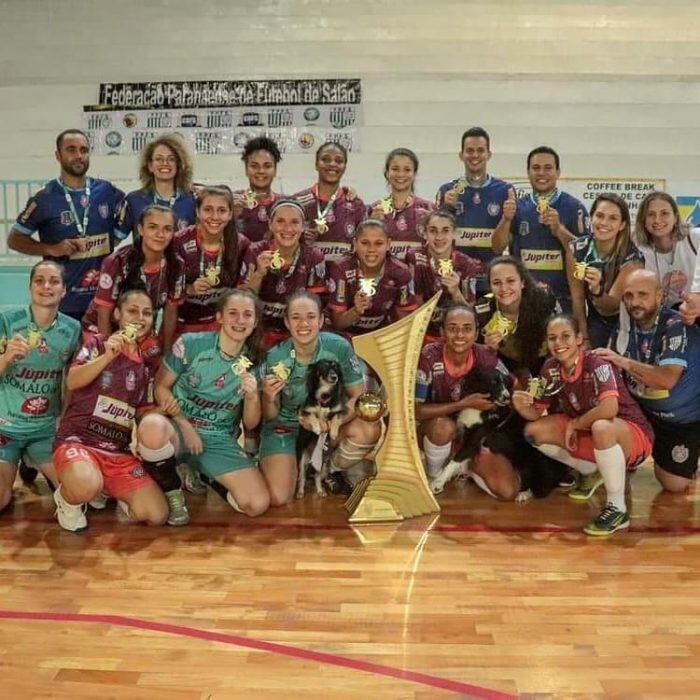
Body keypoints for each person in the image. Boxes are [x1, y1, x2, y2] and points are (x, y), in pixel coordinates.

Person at [513, 314, 653, 536]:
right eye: (552, 338)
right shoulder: (549, 368)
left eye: (565, 336)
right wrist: (520, 405)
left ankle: (617, 509)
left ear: (579, 338)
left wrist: (575, 424)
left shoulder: (597, 362)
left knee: (602, 427)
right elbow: (536, 413)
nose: (558, 344)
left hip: (631, 433)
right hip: (590, 430)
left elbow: (609, 409)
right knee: (533, 432)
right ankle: (590, 471)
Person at [137, 289, 270, 521]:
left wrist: (251, 397)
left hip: (218, 437)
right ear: (219, 317)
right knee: (151, 427)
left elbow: (250, 423)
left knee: (256, 504)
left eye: (247, 315)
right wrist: (185, 424)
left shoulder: (256, 360)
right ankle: (173, 492)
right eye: (233, 313)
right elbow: (160, 388)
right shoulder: (191, 344)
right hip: (177, 428)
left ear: (255, 321)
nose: (240, 321)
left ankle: (206, 474)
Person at [52, 289, 169, 532]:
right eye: (132, 311)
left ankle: (108, 487)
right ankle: (67, 501)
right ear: (117, 314)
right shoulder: (98, 343)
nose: (140, 317)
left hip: (116, 452)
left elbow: (141, 413)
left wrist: (164, 410)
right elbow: (72, 381)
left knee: (156, 514)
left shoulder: (146, 367)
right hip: (79, 442)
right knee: (85, 485)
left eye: (147, 313)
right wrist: (107, 357)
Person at [260, 291, 381, 505]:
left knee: (369, 429)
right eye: (296, 317)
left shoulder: (338, 347)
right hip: (288, 427)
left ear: (322, 320)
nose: (304, 323)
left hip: (326, 423)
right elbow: (270, 415)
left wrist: (330, 423)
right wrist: (268, 398)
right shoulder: (274, 357)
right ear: (286, 322)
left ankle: (328, 470)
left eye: (311, 316)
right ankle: (282, 463)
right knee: (279, 497)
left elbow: (358, 397)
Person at [596, 270, 700, 493]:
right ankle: (634, 451)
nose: (635, 302)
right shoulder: (624, 328)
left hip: (682, 421)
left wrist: (623, 361)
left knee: (674, 485)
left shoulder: (676, 325)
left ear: (660, 296)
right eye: (629, 296)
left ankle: (688, 459)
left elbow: (666, 379)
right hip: (644, 413)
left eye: (643, 295)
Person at [8, 129, 124, 320]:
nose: (79, 155)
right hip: (63, 302)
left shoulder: (106, 190)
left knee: (103, 349)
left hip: (103, 300)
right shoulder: (44, 198)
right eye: (71, 150)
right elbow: (14, 239)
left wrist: (116, 237)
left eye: (84, 150)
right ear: (58, 156)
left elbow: (133, 209)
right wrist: (51, 249)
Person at [415, 303, 522, 499]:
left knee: (507, 491)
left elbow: (515, 388)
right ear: (442, 331)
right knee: (443, 427)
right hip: (435, 431)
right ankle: (434, 474)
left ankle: (466, 466)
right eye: (452, 328)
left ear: (476, 333)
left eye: (467, 328)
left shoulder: (486, 358)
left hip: (473, 437)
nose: (460, 335)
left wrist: (507, 402)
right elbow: (414, 410)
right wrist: (461, 404)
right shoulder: (428, 357)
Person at [0, 261, 81, 513]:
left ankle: (32, 459)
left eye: (54, 281)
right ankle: (16, 464)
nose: (46, 286)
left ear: (64, 290)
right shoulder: (7, 321)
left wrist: (63, 417)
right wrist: (5, 358)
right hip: (6, 428)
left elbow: (72, 379)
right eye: (39, 281)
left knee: (79, 492)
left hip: (45, 429)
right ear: (30, 286)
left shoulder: (72, 328)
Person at [493, 146, 589, 312]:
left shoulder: (574, 207)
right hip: (523, 302)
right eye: (536, 168)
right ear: (528, 172)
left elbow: (586, 254)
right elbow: (497, 247)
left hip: (563, 302)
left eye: (548, 168)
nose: (541, 173)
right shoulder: (518, 207)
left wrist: (559, 230)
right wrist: (506, 219)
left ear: (558, 172)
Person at [82, 205, 185, 351]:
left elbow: (170, 313)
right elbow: (103, 315)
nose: (160, 234)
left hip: (139, 331)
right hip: (102, 329)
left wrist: (166, 353)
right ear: (140, 229)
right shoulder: (117, 262)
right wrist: (107, 354)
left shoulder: (176, 264)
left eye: (167, 229)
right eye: (152, 227)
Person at [239, 198, 326, 348]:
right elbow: (243, 301)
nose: (287, 228)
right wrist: (259, 273)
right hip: (259, 333)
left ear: (303, 226)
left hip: (296, 333)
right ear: (270, 225)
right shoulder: (255, 251)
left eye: (294, 222)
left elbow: (315, 307)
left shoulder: (313, 257)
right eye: (280, 221)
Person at [435, 127, 511, 293]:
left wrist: (507, 218)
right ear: (461, 155)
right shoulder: (447, 191)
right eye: (469, 151)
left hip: (492, 279)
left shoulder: (505, 191)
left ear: (489, 154)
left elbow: (503, 245)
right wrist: (446, 208)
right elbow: (436, 239)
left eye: (480, 151)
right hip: (455, 278)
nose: (475, 155)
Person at [171, 185, 248, 343]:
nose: (215, 216)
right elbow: (165, 292)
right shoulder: (178, 241)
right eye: (208, 210)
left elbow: (243, 294)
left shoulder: (241, 244)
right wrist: (188, 289)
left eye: (222, 210)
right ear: (198, 212)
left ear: (230, 214)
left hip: (223, 327)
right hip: (184, 327)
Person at [568, 193, 644, 348]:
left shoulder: (632, 258)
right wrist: (584, 339)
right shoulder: (576, 249)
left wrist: (596, 290)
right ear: (591, 218)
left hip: (627, 321)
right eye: (600, 216)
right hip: (595, 320)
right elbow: (577, 299)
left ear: (622, 225)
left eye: (613, 218)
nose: (604, 222)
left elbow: (611, 308)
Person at [328, 219, 417, 337]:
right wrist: (356, 311)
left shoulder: (401, 272)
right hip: (345, 336)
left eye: (378, 243)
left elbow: (404, 324)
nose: (371, 249)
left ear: (388, 244)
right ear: (355, 243)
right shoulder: (341, 268)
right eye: (365, 243)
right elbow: (338, 324)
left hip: (381, 337)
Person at [476, 256, 556, 384]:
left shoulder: (544, 302)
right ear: (490, 286)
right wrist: (487, 349)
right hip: (503, 368)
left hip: (543, 364)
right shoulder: (482, 308)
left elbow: (559, 345)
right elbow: (474, 354)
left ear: (522, 282)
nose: (504, 288)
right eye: (497, 283)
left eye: (510, 281)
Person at [406, 209, 483, 342]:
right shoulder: (414, 257)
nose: (439, 237)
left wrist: (456, 292)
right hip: (420, 335)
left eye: (445, 230)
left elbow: (470, 314)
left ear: (454, 233)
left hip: (453, 338)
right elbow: (411, 303)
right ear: (424, 233)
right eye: (433, 230)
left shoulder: (466, 264)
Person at [114, 134, 196, 242]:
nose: (165, 163)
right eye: (159, 159)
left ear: (179, 165)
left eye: (171, 159)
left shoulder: (191, 201)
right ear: (150, 166)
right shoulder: (134, 200)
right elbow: (113, 241)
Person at [293, 141, 366, 262]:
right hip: (306, 279)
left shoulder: (356, 205)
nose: (332, 164)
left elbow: (364, 248)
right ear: (316, 164)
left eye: (339, 161)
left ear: (345, 167)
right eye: (325, 159)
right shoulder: (297, 202)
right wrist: (298, 237)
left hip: (343, 279)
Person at [634, 191, 700, 309]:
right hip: (665, 318)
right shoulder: (640, 250)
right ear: (643, 221)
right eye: (651, 214)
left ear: (675, 217)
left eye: (664, 213)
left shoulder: (695, 238)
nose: (657, 220)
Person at [367, 147, 435, 259]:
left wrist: (432, 227)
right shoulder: (375, 209)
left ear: (415, 173)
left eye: (407, 170)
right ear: (387, 172)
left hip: (419, 275)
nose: (401, 174)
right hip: (385, 275)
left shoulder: (428, 209)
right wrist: (372, 225)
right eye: (395, 169)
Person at [232, 136, 282, 242]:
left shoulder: (284, 204)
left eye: (267, 166)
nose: (261, 171)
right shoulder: (231, 202)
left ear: (275, 170)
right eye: (254, 166)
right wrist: (230, 218)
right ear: (246, 169)